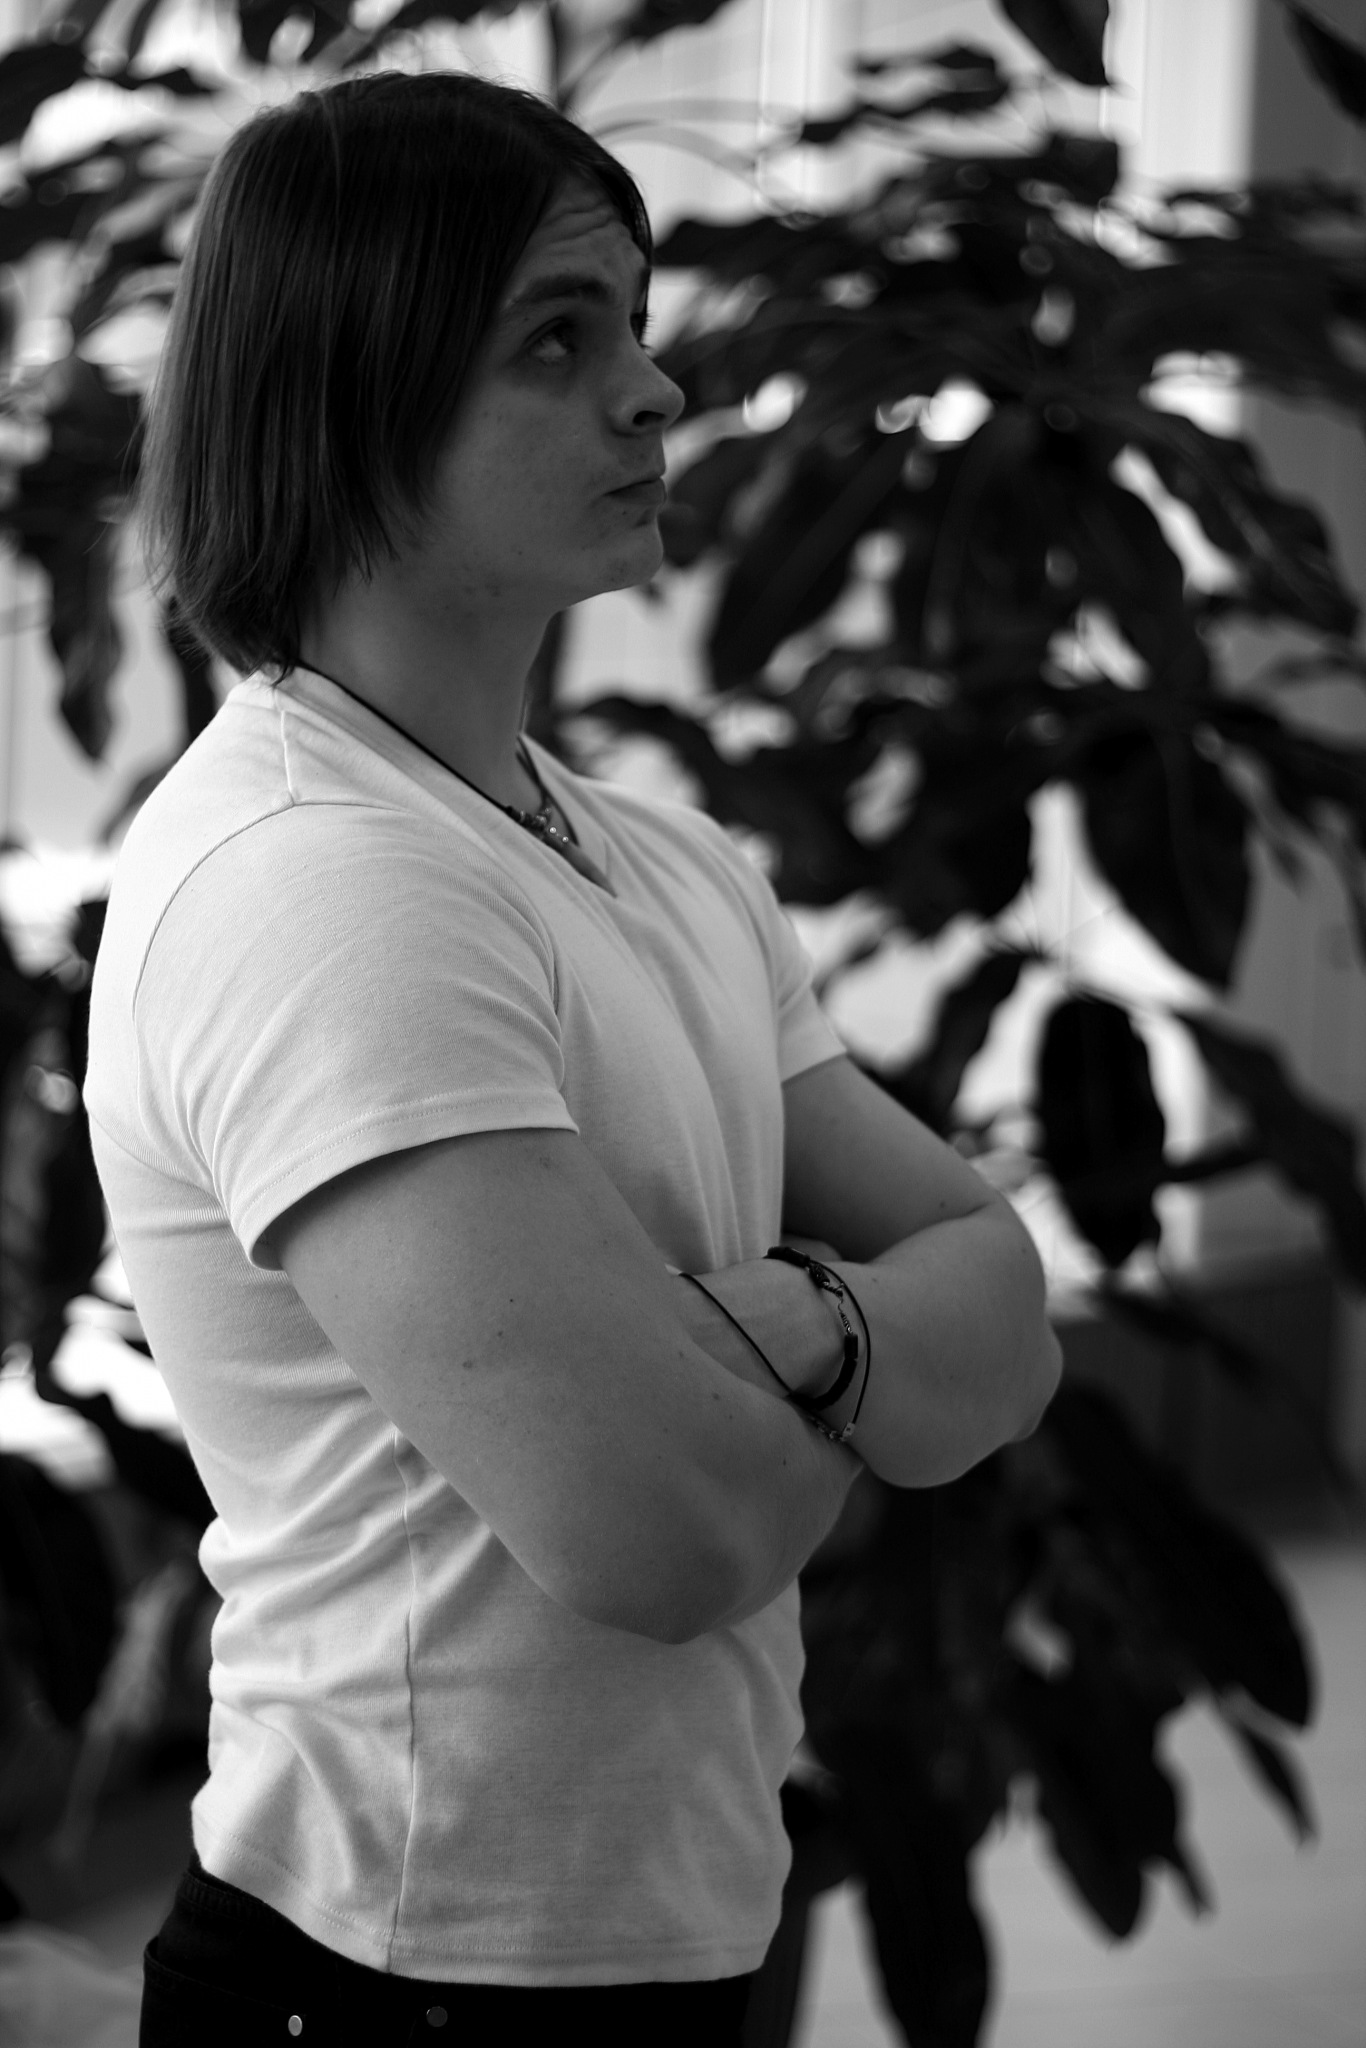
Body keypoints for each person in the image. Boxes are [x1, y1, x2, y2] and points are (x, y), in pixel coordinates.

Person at [84, 69, 1062, 2048]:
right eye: (555, 338)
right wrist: (867, 1360)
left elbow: (1008, 1316)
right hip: (397, 1973)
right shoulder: (319, 882)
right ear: (348, 395)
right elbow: (663, 1537)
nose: (652, 392)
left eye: (632, 320)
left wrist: (789, 1327)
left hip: (650, 1939)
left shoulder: (659, 860)